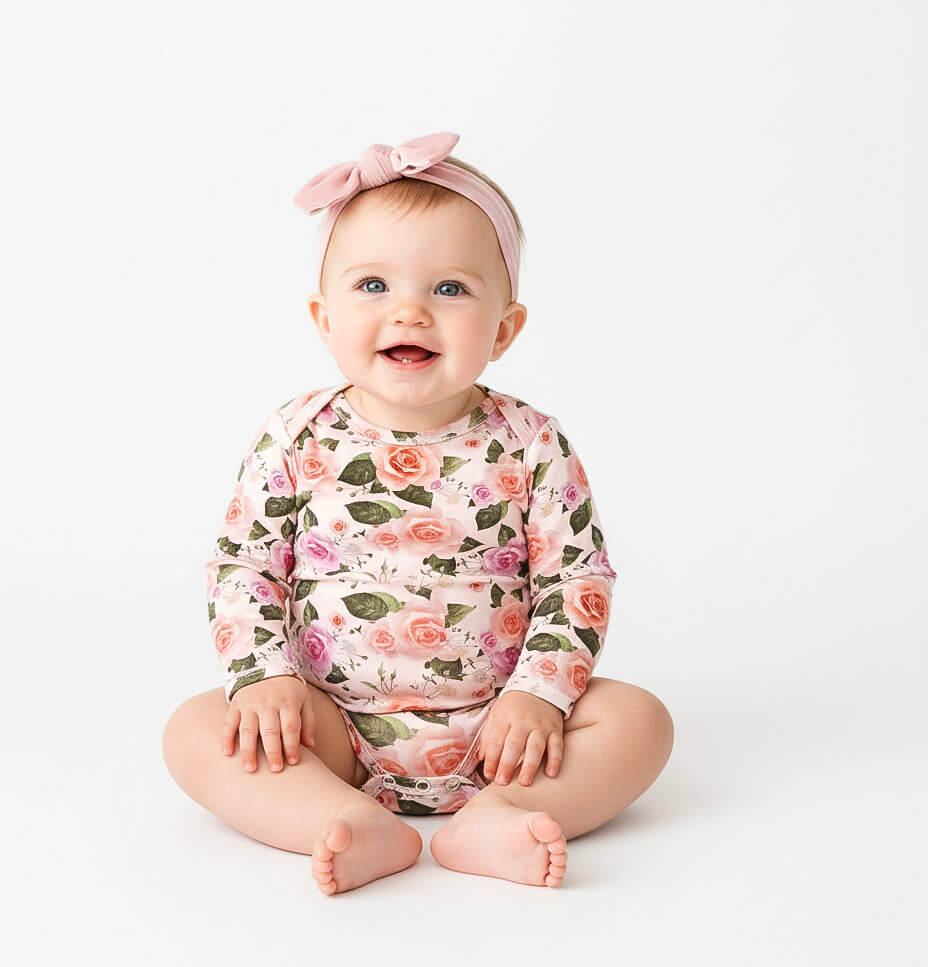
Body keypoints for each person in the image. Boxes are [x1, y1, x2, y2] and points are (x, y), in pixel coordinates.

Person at [162, 131, 674, 894]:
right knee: (195, 731)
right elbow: (245, 565)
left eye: (450, 289)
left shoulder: (531, 441)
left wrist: (539, 694)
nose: (410, 311)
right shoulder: (296, 436)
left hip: (504, 730)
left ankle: (499, 816)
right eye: (373, 285)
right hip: (331, 726)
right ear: (324, 317)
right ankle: (338, 817)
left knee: (641, 722)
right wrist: (262, 679)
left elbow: (576, 578)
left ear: (504, 329)